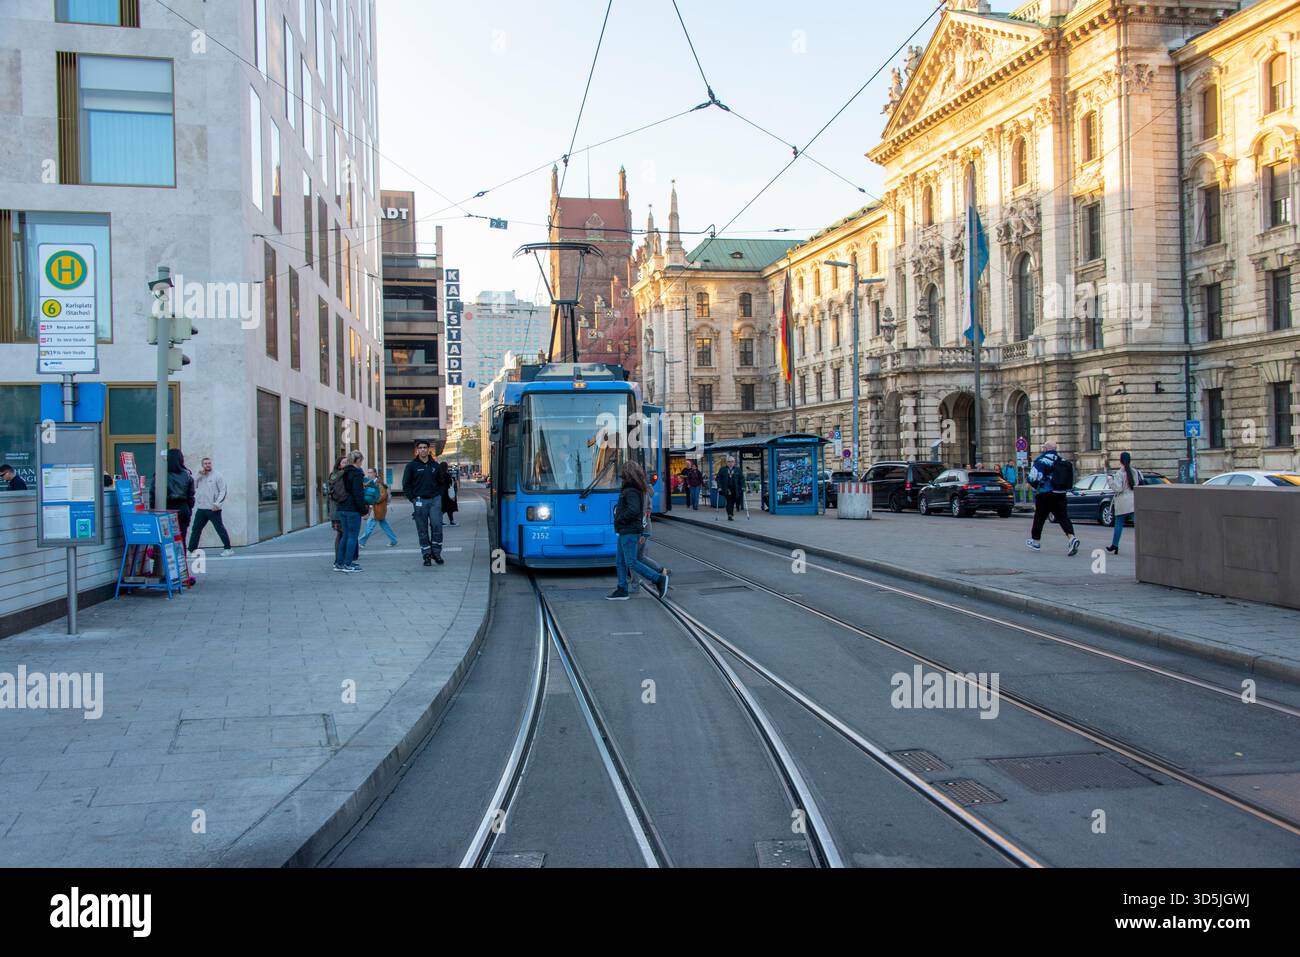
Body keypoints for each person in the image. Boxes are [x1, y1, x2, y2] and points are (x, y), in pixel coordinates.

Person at [607, 460, 669, 601]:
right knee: (620, 561)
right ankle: (622, 589)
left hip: (629, 530)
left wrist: (619, 518)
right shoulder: (635, 488)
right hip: (625, 530)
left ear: (627, 474)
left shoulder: (631, 490)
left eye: (623, 472)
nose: (621, 474)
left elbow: (634, 510)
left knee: (631, 561)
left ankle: (658, 579)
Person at [402, 440, 451, 566]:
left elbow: (442, 482)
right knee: (422, 529)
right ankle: (426, 555)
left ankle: (437, 553)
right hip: (419, 501)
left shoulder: (435, 465)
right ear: (417, 450)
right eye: (420, 448)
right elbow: (406, 485)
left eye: (425, 447)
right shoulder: (411, 466)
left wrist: (439, 495)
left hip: (435, 500)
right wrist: (413, 498)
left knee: (437, 527)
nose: (423, 450)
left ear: (429, 449)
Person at [1026, 441, 1080, 556]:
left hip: (1045, 493)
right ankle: (1071, 538)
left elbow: (1034, 477)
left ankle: (1036, 541)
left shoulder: (1041, 460)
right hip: (1060, 493)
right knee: (1063, 517)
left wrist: (1030, 481)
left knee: (1039, 517)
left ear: (1045, 449)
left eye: (1043, 448)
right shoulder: (1061, 460)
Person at [188, 456, 234, 555]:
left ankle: (228, 549)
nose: (207, 465)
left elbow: (223, 490)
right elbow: (192, 486)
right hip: (201, 508)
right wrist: (198, 475)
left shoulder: (218, 476)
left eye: (209, 463)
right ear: (202, 465)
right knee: (196, 529)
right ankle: (191, 550)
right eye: (205, 463)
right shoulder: (199, 476)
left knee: (219, 529)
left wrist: (217, 504)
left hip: (213, 509)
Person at [331, 450, 368, 572]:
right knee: (353, 536)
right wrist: (363, 510)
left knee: (345, 535)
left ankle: (339, 563)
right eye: (361, 460)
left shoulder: (343, 472)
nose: (362, 463)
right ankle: (348, 564)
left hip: (341, 508)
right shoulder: (356, 473)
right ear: (358, 460)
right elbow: (358, 494)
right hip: (352, 509)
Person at [150, 449, 196, 544]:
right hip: (183, 508)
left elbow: (153, 494)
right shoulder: (187, 475)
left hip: (165, 507)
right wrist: (189, 508)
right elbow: (191, 496)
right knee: (181, 538)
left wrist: (153, 508)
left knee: (165, 539)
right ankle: (182, 558)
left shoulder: (160, 474)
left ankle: (166, 558)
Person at [1105, 451, 1142, 555]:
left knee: (1118, 524)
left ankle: (1115, 545)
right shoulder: (1135, 472)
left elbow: (1118, 488)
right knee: (1138, 525)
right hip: (1133, 500)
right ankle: (1143, 545)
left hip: (1122, 502)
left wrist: (1110, 480)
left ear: (1120, 461)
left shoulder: (1119, 473)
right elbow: (1137, 484)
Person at [359, 467, 398, 548]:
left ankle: (361, 542)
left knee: (370, 525)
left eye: (371, 472)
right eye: (368, 472)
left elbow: (383, 495)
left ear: (375, 474)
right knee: (384, 525)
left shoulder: (378, 483)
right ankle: (394, 540)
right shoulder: (370, 483)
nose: (369, 474)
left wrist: (374, 501)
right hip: (376, 508)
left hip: (377, 508)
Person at [327, 455, 348, 555]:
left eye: (347, 462)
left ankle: (340, 558)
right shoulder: (338, 475)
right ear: (339, 465)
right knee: (341, 534)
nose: (346, 465)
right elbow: (340, 494)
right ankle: (339, 559)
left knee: (342, 534)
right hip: (338, 510)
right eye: (344, 463)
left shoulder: (335, 475)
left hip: (337, 510)